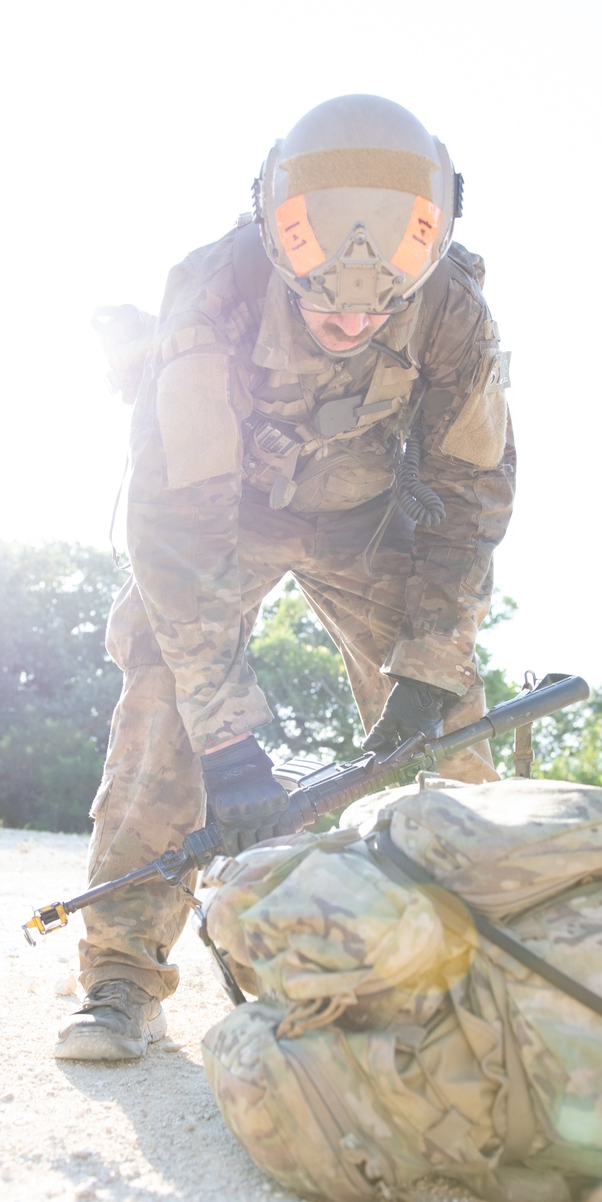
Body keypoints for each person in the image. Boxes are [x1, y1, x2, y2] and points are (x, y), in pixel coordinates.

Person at [56, 94, 516, 1063]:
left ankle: (499, 963)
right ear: (276, 240)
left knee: (454, 720)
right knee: (164, 692)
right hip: (223, 516)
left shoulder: (453, 309)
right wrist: (228, 745)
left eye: (375, 304)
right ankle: (120, 976)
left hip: (367, 521)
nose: (352, 320)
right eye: (325, 301)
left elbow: (468, 492)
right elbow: (177, 541)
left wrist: (429, 661)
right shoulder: (211, 296)